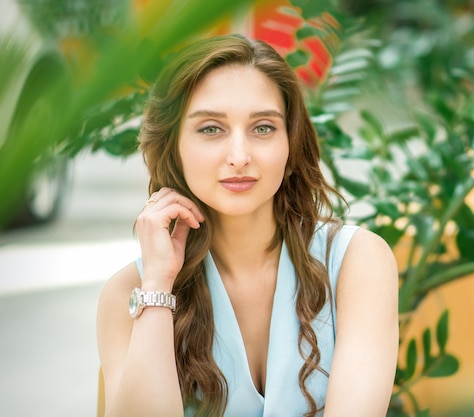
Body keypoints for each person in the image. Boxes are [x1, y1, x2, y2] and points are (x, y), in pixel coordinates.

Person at [96, 33, 398, 417]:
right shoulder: (129, 292)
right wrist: (158, 286)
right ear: (173, 147)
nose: (239, 156)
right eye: (210, 129)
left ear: (291, 144)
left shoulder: (357, 263)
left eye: (263, 128)